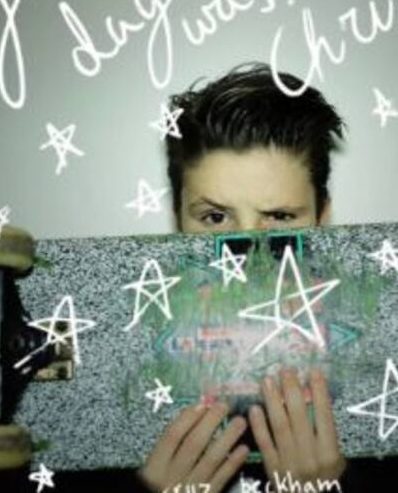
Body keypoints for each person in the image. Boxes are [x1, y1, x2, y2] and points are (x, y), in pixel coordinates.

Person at [137, 63, 349, 493]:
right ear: (178, 219)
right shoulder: (112, 399)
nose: (249, 257)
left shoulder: (382, 397)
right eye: (215, 217)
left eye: (279, 216)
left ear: (321, 218)